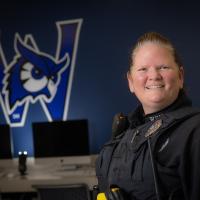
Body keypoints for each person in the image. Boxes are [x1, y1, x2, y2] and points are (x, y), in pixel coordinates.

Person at [95, 32, 200, 200]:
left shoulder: (194, 131)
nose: (154, 76)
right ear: (130, 81)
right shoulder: (123, 135)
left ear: (180, 77)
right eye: (143, 69)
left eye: (163, 67)